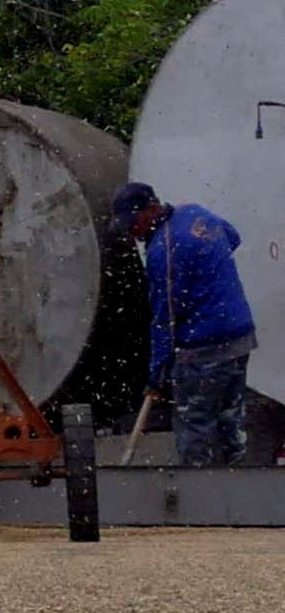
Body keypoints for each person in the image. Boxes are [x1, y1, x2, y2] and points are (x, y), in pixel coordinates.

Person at [114, 183, 256, 467]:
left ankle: (197, 496)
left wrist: (156, 375)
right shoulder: (194, 212)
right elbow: (233, 237)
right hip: (241, 335)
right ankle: (241, 485)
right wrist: (205, 273)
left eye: (134, 224)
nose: (133, 233)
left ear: (151, 209)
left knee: (195, 425)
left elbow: (163, 320)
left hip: (205, 348)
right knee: (231, 417)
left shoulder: (161, 252)